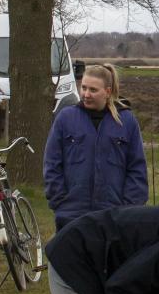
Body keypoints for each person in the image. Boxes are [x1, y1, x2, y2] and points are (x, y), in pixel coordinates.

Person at [43, 63, 147, 230]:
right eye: (83, 88)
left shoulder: (127, 121)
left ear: (107, 91)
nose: (86, 94)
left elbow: (137, 169)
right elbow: (52, 163)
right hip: (71, 215)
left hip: (114, 216)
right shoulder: (66, 118)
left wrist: (129, 209)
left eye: (93, 90)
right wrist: (60, 201)